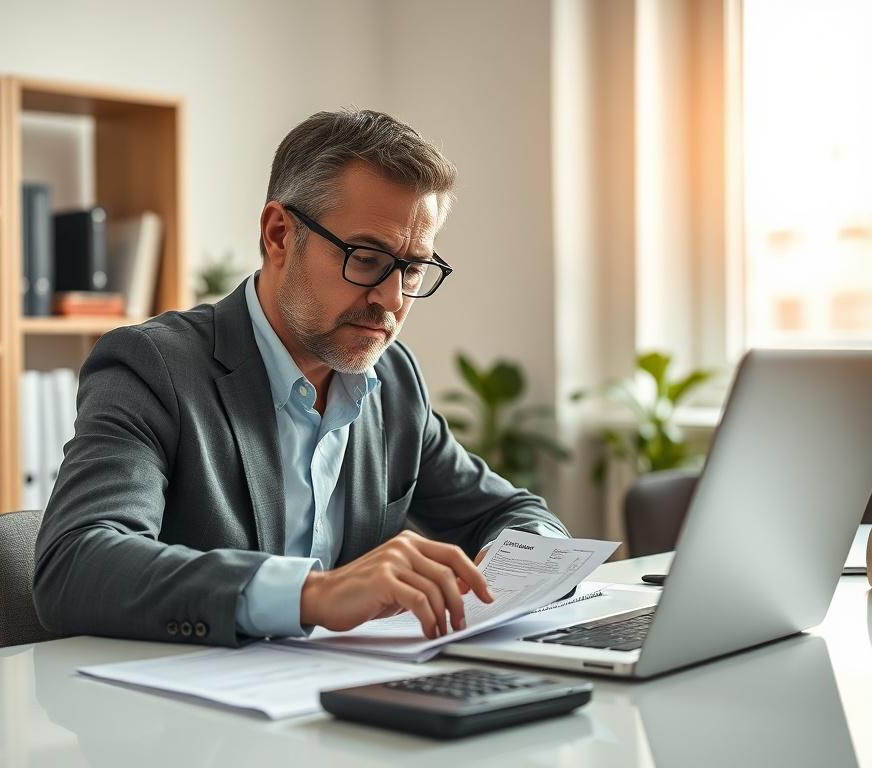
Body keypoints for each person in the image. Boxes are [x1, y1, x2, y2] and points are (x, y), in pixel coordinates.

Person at [33, 108, 569, 647]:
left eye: (411, 269)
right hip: (185, 694)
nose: (391, 299)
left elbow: (513, 512)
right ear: (279, 235)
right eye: (366, 258)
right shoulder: (154, 367)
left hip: (346, 688)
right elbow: (75, 563)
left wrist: (520, 568)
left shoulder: (394, 380)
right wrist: (313, 593)